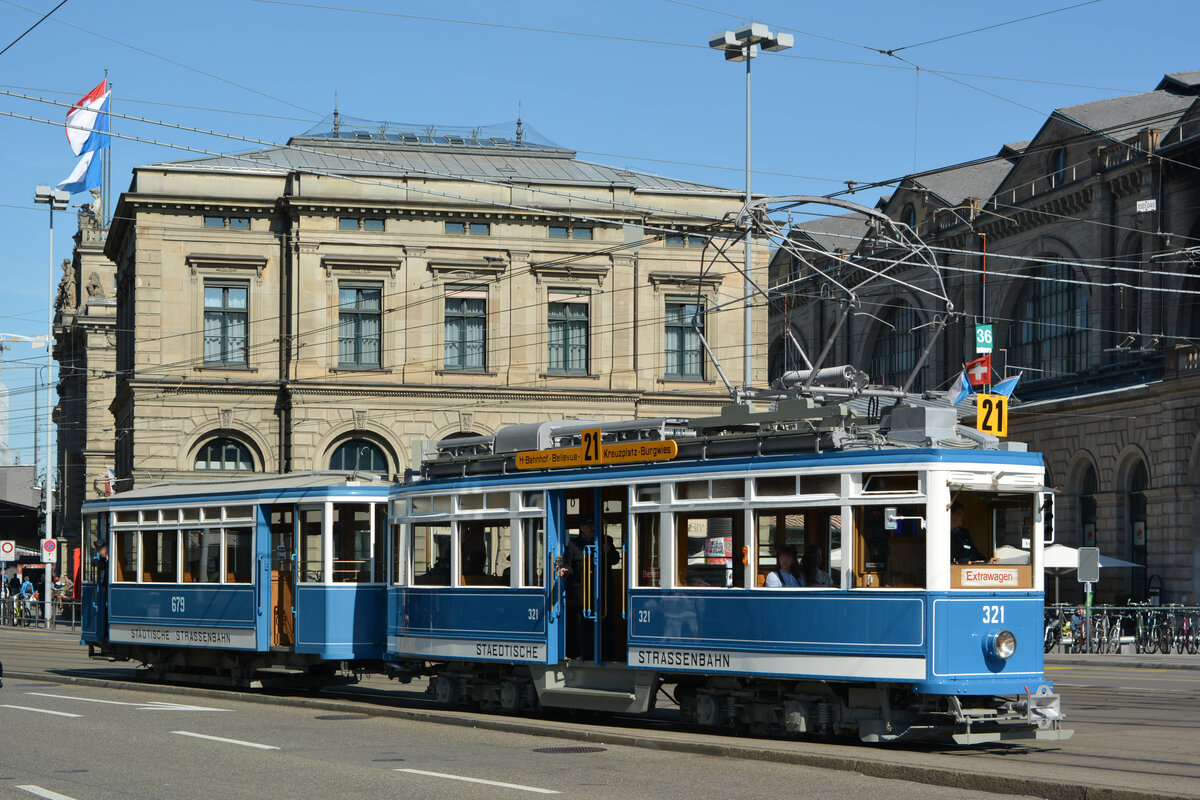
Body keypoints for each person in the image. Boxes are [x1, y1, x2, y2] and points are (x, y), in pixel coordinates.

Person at [559, 518, 619, 660]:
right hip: (583, 595)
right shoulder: (574, 545)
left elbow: (615, 559)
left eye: (593, 525)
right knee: (583, 629)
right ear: (581, 528)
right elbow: (570, 565)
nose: (592, 528)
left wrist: (608, 551)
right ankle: (586, 656)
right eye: (588, 525)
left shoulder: (606, 539)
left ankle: (605, 656)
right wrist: (565, 570)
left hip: (602, 594)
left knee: (605, 627)